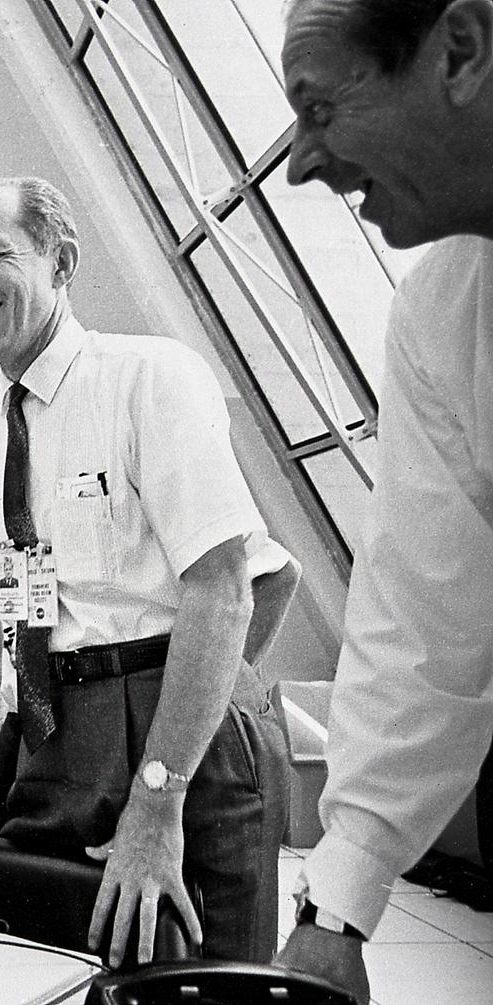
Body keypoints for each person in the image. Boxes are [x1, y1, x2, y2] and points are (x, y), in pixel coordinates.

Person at [0, 176, 292, 967]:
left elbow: (228, 587)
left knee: (199, 971)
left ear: (61, 261)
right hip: (53, 734)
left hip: (178, 731)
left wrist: (161, 788)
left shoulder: (150, 379)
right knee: (61, 960)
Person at [277, 2, 493, 1000]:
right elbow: (421, 619)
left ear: (459, 51)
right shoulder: (444, 309)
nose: (298, 165)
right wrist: (336, 910)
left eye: (320, 108)